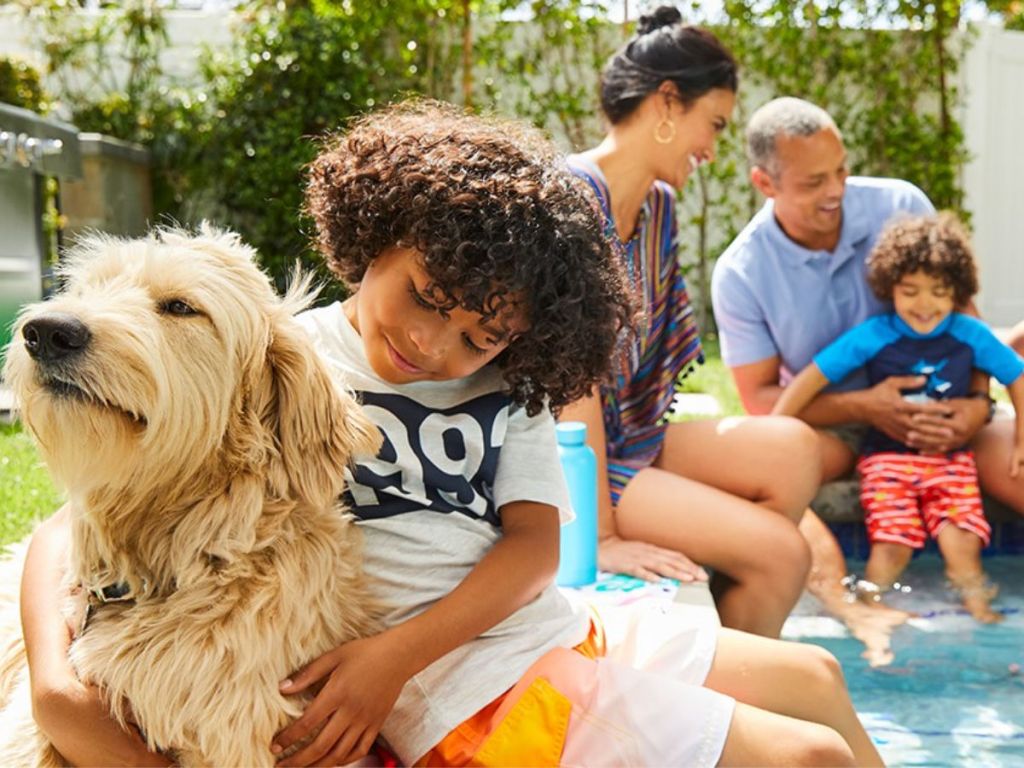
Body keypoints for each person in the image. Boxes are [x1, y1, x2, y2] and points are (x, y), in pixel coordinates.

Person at [20, 101, 882, 767]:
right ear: (375, 237)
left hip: (543, 625)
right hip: (464, 686)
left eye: (481, 333)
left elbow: (537, 547)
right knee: (809, 757)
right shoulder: (285, 360)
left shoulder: (511, 384)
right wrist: (56, 688)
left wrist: (395, 654)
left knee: (818, 678)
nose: (434, 345)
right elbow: (93, 511)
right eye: (425, 298)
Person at [711, 96, 1024, 660]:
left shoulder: (900, 205)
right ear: (765, 182)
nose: (835, 191)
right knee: (770, 469)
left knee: (1015, 464)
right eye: (813, 182)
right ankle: (853, 610)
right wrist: (867, 407)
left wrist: (977, 405)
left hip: (949, 407)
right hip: (831, 427)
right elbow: (761, 401)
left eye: (841, 171)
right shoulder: (741, 272)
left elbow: (965, 322)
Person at [561, 5, 820, 640]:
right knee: (784, 552)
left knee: (794, 449)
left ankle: (728, 613)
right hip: (560, 458)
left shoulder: (658, 205)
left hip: (627, 436)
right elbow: (569, 385)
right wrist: (605, 539)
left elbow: (647, 361)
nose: (712, 147)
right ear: (668, 103)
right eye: (715, 124)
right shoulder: (566, 199)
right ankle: (743, 695)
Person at [772, 213, 1024, 622]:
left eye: (939, 292)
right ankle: (873, 602)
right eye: (911, 292)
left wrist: (1021, 441)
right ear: (891, 287)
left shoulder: (969, 333)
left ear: (957, 292)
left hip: (949, 460)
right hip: (888, 460)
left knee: (962, 540)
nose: (925, 305)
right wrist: (775, 430)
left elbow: (1016, 374)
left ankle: (979, 607)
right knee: (893, 542)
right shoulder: (876, 333)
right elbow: (812, 377)